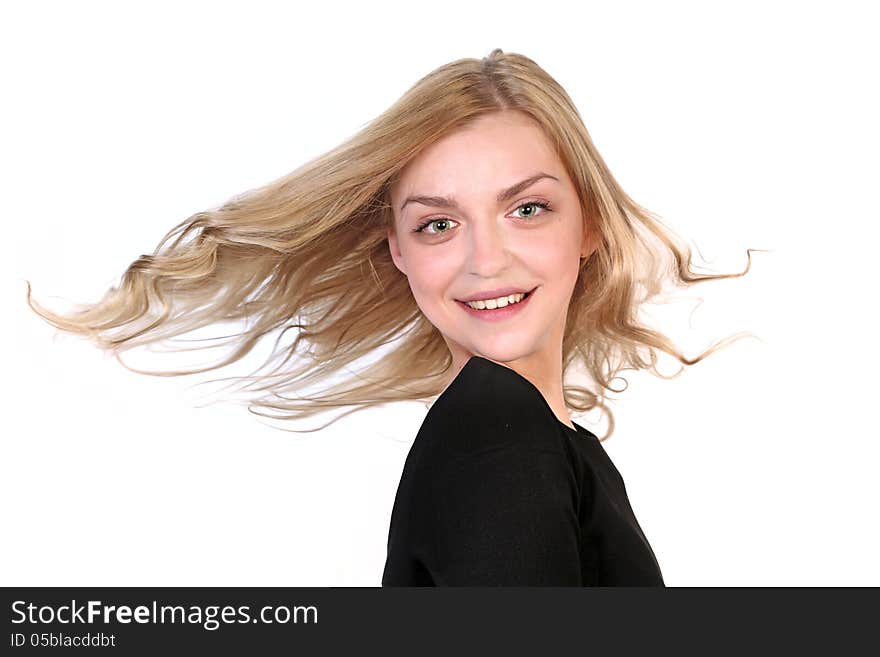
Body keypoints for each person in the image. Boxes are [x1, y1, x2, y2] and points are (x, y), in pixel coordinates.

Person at [25, 48, 758, 585]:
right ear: (400, 252)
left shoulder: (551, 445)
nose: (486, 260)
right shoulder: (500, 436)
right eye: (438, 225)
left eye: (526, 208)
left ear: (589, 224)